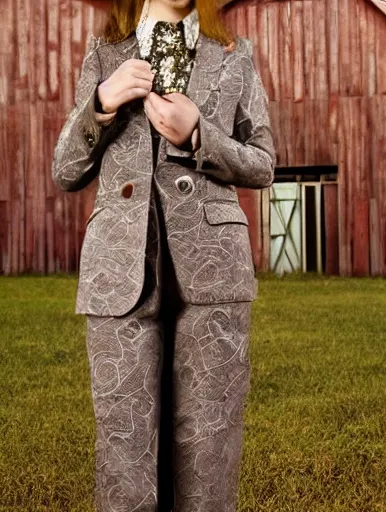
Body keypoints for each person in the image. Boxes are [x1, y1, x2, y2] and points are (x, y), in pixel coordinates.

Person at [52, 0, 276, 510]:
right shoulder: (105, 53)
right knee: (123, 463)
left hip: (214, 275)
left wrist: (201, 134)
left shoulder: (235, 55)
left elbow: (264, 163)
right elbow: (65, 170)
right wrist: (101, 103)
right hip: (119, 274)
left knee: (209, 459)